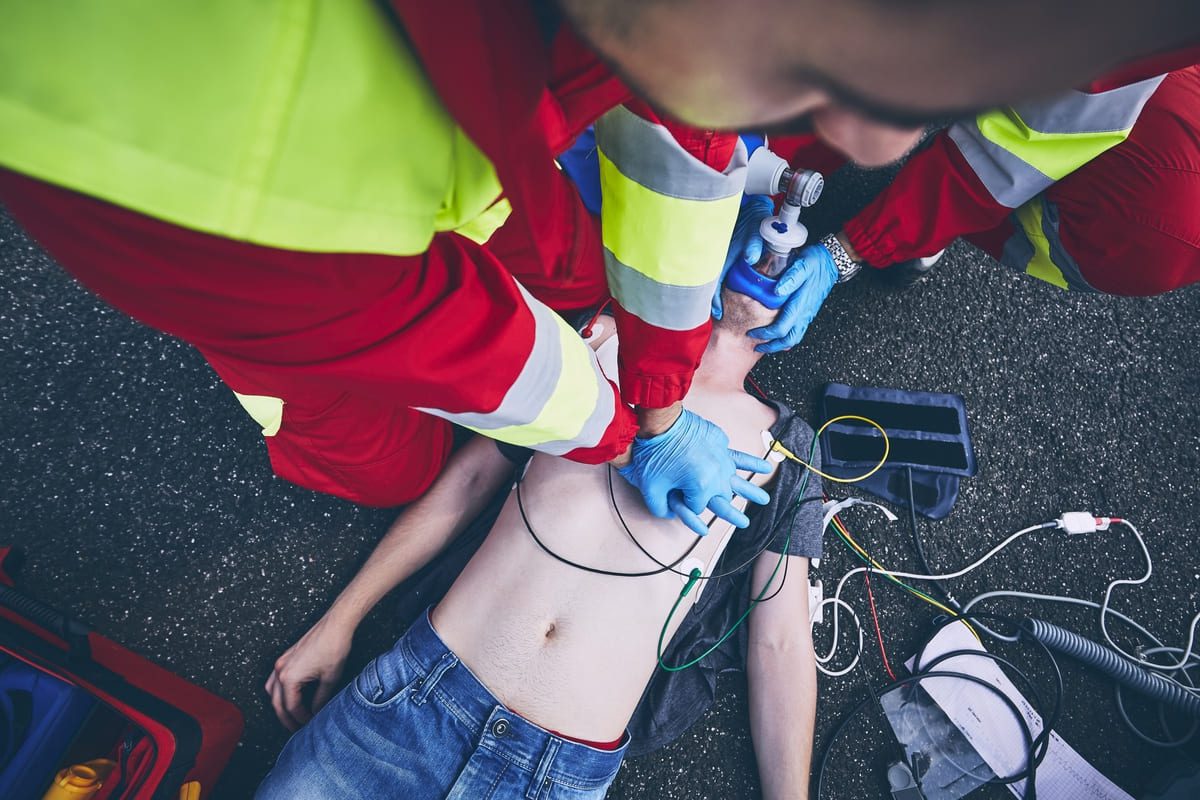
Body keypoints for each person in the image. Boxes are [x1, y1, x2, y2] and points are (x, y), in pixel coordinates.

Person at [3, 2, 1199, 530]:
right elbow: (449, 346)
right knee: (383, 468)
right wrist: (627, 428)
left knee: (579, 269)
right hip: (236, 222)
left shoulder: (697, 26)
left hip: (445, 145)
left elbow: (676, 126)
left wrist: (666, 377)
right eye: (849, 81)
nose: (870, 154)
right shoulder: (210, 180)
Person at [256, 282, 825, 799]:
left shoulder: (789, 451)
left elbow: (780, 644)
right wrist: (340, 621)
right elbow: (470, 481)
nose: (772, 257)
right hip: (413, 703)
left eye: (792, 259)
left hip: (556, 775)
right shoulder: (596, 339)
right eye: (760, 228)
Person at [734, 59, 1200, 354]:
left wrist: (853, 249)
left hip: (1146, 194)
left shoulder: (1123, 43)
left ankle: (923, 231)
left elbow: (1000, 162)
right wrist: (755, 173)